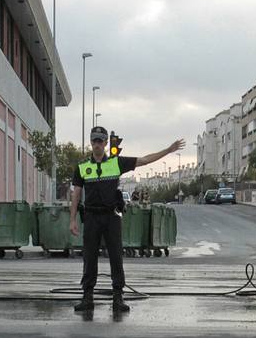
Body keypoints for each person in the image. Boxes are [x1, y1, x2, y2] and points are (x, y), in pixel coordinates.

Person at [70, 126, 184, 313]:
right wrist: (72, 219)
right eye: (94, 141)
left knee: (116, 256)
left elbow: (145, 160)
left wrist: (168, 150)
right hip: (91, 216)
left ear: (106, 143)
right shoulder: (82, 167)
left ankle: (118, 297)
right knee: (89, 257)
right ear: (90, 143)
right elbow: (76, 194)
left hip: (111, 217)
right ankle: (87, 297)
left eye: (100, 140)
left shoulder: (116, 163)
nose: (97, 144)